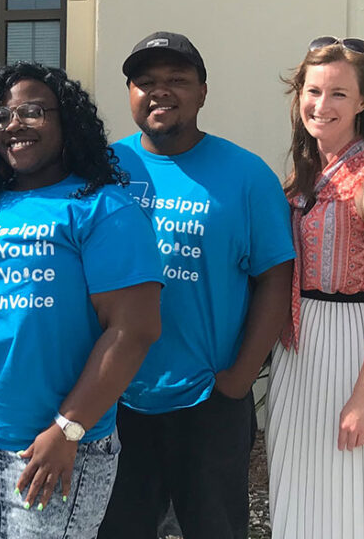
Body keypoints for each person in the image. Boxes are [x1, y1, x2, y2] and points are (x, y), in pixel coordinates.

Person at [0, 62, 163, 539]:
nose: (14, 125)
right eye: (0, 116)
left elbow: (133, 328)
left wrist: (68, 429)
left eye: (32, 112)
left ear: (66, 123)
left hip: (54, 448)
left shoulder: (102, 206)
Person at [97, 32, 295, 539]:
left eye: (177, 80)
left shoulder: (247, 175)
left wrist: (239, 380)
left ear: (203, 92)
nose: (160, 92)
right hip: (115, 398)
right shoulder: (104, 170)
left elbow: (275, 278)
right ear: (130, 94)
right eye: (146, 82)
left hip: (208, 402)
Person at [268, 36, 364, 539]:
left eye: (337, 94)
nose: (321, 105)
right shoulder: (304, 174)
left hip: (357, 345)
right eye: (313, 91)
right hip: (301, 350)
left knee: (363, 493)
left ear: (363, 102)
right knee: (301, 487)